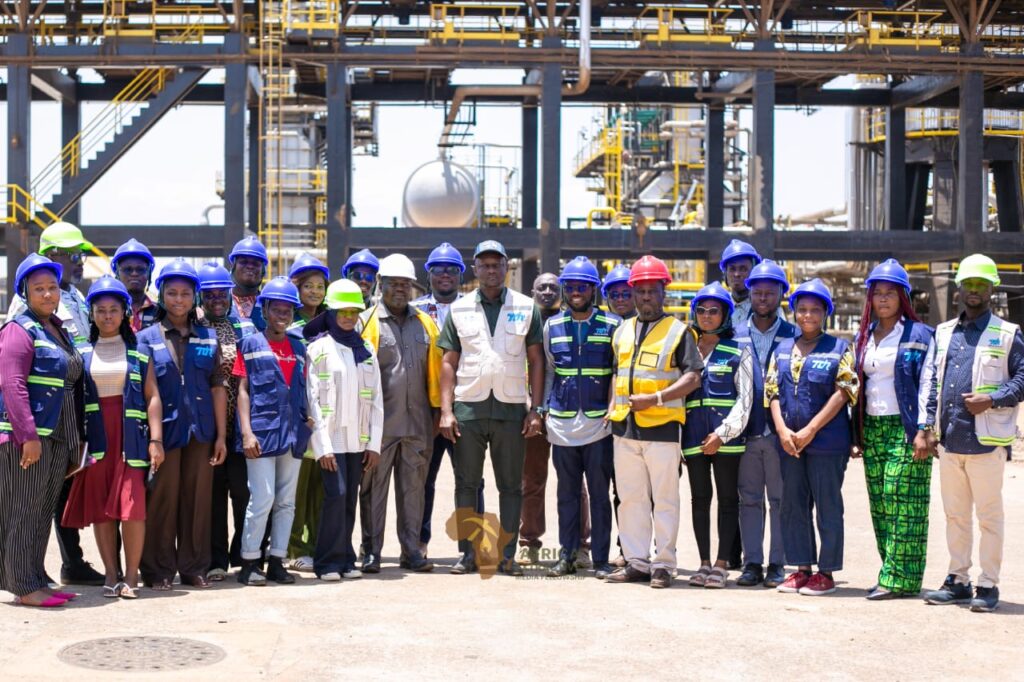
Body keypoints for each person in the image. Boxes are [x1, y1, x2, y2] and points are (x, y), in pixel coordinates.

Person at [920, 254, 1024, 613]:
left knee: (989, 517)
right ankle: (958, 580)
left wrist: (992, 399)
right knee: (956, 516)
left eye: (982, 284)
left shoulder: (1007, 334)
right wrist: (927, 427)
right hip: (950, 442)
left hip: (985, 443)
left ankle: (988, 584)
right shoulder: (944, 332)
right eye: (969, 284)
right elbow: (933, 382)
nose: (975, 290)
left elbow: (1022, 378)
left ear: (992, 289)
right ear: (959, 289)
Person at [438, 240, 545, 576]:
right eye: (484, 265)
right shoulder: (459, 309)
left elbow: (536, 360)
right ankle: (468, 554)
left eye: (497, 264)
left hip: (511, 410)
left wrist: (536, 409)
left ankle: (507, 555)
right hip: (468, 409)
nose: (491, 270)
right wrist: (446, 411)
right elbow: (448, 362)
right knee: (466, 484)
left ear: (506, 267)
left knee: (511, 486)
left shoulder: (526, 307)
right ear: (475, 269)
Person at [7, 224, 104, 587]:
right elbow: (14, 374)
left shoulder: (73, 298)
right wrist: (26, 431)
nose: (79, 261)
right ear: (50, 256)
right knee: (29, 502)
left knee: (57, 493)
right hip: (39, 416)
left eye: (81, 255)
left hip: (68, 411)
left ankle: (63, 565)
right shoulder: (25, 309)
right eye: (71, 255)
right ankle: (26, 577)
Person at [62, 276, 164, 599]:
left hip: (131, 439)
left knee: (132, 508)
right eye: (101, 310)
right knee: (102, 511)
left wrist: (156, 440)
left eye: (114, 310)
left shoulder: (140, 351)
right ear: (91, 314)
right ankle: (110, 573)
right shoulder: (81, 352)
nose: (107, 316)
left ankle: (131, 576)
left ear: (125, 313)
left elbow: (152, 397)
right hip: (96, 440)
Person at [605, 255, 703, 589]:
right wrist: (612, 406)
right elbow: (618, 373)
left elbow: (693, 377)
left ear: (664, 292)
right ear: (633, 293)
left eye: (652, 291)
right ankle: (636, 561)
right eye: (641, 291)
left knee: (664, 499)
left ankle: (663, 564)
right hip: (624, 429)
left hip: (662, 428)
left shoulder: (679, 332)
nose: (646, 297)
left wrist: (656, 399)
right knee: (630, 498)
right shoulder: (622, 331)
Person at [0, 254, 87, 607]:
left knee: (41, 510)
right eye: (39, 289)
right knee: (23, 510)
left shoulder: (58, 329)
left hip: (59, 435)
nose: (48, 294)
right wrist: (28, 437)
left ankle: (36, 578)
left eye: (52, 287)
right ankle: (23, 586)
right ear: (25, 292)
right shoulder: (19, 330)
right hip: (30, 438)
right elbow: (12, 384)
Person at [137, 259, 228, 591]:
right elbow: (144, 391)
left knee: (197, 499)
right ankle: (157, 569)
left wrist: (221, 436)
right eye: (172, 292)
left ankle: (193, 567)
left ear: (195, 297)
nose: (178, 299)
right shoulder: (145, 338)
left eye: (185, 293)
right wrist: (153, 439)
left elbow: (218, 386)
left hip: (201, 431)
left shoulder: (208, 337)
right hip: (165, 431)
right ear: (161, 294)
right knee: (162, 498)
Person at [766, 278, 858, 597]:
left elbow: (844, 391)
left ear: (825, 313)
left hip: (826, 443)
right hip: (790, 443)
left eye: (815, 310)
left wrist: (811, 430)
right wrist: (782, 430)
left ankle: (826, 572)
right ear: (794, 311)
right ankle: (802, 568)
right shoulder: (781, 350)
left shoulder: (839, 349)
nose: (807, 315)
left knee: (827, 504)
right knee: (793, 505)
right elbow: (772, 392)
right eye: (802, 309)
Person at [851, 259, 935, 601]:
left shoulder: (920, 335)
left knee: (902, 499)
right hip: (873, 427)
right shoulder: (863, 337)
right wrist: (856, 434)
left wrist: (925, 429)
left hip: (906, 427)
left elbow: (930, 383)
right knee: (881, 503)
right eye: (878, 293)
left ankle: (901, 579)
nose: (883, 299)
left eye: (890, 292)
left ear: (903, 297)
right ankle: (892, 572)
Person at [359, 254, 441, 573]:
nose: (399, 289)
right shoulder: (366, 322)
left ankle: (411, 551)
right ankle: (371, 551)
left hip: (417, 424)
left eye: (405, 284)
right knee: (373, 491)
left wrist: (437, 413)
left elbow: (436, 372)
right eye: (393, 283)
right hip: (378, 426)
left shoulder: (426, 324)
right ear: (381, 285)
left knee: (413, 491)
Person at [542, 257, 619, 579]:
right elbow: (549, 371)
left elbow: (617, 371)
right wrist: (544, 409)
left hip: (599, 424)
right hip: (562, 424)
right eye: (571, 287)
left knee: (600, 495)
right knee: (566, 495)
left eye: (583, 287)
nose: (576, 292)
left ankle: (600, 559)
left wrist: (613, 408)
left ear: (593, 290)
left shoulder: (613, 325)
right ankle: (567, 556)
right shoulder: (552, 326)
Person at [234, 277, 311, 586]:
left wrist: (308, 421)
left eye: (288, 310)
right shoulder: (250, 344)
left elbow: (304, 388)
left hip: (293, 433)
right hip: (262, 433)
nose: (282, 315)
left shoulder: (299, 347)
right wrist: (246, 432)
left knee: (286, 501)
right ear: (264, 310)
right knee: (262, 498)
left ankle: (277, 561)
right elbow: (242, 390)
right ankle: (250, 562)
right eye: (276, 309)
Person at [306, 279, 383, 582]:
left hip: (358, 441)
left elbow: (376, 399)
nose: (349, 317)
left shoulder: (366, 349)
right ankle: (326, 562)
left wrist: (374, 444)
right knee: (335, 495)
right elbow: (312, 400)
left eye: (354, 312)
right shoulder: (318, 349)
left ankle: (346, 559)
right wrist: (322, 446)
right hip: (331, 439)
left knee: (350, 498)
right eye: (343, 311)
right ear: (330, 312)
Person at [412, 242, 485, 558]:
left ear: (461, 274)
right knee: (421, 480)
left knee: (470, 480)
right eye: (439, 269)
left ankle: (472, 545)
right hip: (425, 409)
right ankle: (418, 542)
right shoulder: (413, 311)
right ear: (428, 273)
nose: (445, 274)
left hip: (464, 407)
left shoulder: (475, 309)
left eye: (452, 269)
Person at [681, 283, 753, 589]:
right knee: (699, 499)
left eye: (714, 310)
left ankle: (722, 564)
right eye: (701, 310)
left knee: (727, 499)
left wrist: (722, 434)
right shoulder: (685, 351)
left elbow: (745, 400)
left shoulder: (738, 350)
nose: (707, 316)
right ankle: (703, 563)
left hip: (727, 440)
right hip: (693, 437)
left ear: (725, 315)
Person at [733, 259, 795, 588]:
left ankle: (777, 564)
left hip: (780, 433)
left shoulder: (793, 335)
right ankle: (752, 563)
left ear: (782, 294)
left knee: (781, 501)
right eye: (757, 292)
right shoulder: (735, 335)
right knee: (749, 499)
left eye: (770, 293)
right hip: (746, 432)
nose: (763, 298)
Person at [198, 262, 257, 582]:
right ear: (201, 296)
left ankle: (242, 552)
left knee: (243, 492)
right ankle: (216, 559)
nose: (217, 299)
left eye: (222, 293)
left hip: (238, 426)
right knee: (213, 496)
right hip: (207, 427)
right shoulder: (194, 327)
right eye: (210, 294)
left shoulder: (244, 327)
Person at [285, 253, 330, 572]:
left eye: (320, 286)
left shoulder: (331, 322)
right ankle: (294, 547)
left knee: (320, 486)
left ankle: (315, 544)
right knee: (296, 487)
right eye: (308, 286)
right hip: (300, 415)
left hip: (326, 414)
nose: (314, 292)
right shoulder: (288, 324)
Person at [519, 272, 562, 565]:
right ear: (532, 292)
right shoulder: (522, 323)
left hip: (565, 412)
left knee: (574, 482)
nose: (547, 292)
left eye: (553, 287)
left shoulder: (570, 322)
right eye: (542, 287)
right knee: (532, 479)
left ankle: (580, 545)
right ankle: (529, 541)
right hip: (531, 412)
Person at [111, 238, 158, 332]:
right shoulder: (106, 312)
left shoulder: (160, 313)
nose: (134, 274)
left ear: (148, 274)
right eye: (128, 269)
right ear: (117, 274)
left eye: (140, 269)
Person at [719, 238, 762, 329]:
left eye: (743, 269)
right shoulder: (717, 307)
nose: (737, 274)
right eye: (732, 269)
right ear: (725, 273)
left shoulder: (766, 308)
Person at [228, 235, 269, 331]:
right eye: (244, 262)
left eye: (255, 263)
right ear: (233, 266)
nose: (250, 266)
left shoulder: (269, 307)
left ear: (263, 271)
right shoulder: (219, 303)